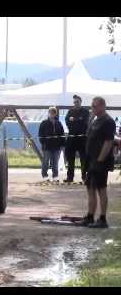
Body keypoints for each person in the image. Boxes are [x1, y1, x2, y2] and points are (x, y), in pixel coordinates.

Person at [77, 97, 115, 228]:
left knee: (101, 189)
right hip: (90, 159)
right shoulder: (95, 120)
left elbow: (108, 142)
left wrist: (100, 160)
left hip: (100, 161)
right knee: (90, 188)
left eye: (95, 106)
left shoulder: (108, 121)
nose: (92, 108)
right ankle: (90, 216)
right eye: (92, 106)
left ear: (103, 106)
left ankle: (102, 218)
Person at [64, 95, 89, 183]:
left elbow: (85, 122)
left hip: (82, 138)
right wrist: (77, 120)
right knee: (70, 159)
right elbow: (67, 121)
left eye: (77, 102)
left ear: (80, 102)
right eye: (74, 102)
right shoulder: (70, 111)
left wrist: (74, 120)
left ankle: (84, 177)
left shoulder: (85, 111)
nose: (75, 104)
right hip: (72, 138)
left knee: (84, 159)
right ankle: (70, 177)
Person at [38, 107, 65, 182]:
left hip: (57, 147)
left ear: (55, 114)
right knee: (45, 162)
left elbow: (62, 134)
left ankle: (55, 176)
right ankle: (44, 176)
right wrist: (43, 143)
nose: (52, 114)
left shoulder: (58, 123)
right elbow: (40, 134)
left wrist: (62, 144)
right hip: (47, 146)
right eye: (50, 112)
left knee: (55, 162)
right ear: (48, 113)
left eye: (53, 112)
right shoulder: (44, 123)